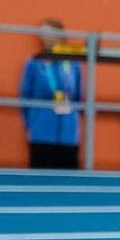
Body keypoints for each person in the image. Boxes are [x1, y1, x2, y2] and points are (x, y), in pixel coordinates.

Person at [20, 19, 81, 169]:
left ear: (60, 35)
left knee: (68, 177)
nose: (45, 37)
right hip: (41, 129)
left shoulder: (73, 64)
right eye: (42, 34)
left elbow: (78, 94)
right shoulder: (34, 63)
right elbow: (25, 94)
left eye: (49, 33)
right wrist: (29, 123)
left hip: (68, 131)